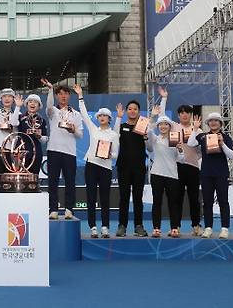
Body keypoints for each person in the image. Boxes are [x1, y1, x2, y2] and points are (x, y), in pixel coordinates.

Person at [74, 84, 119, 238]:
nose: (101, 118)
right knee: (91, 198)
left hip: (106, 168)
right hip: (91, 166)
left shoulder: (114, 135)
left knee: (105, 199)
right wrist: (80, 96)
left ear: (109, 119)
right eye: (100, 116)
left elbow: (115, 154)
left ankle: (105, 227)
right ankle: (93, 227)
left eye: (104, 116)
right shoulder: (93, 129)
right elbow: (84, 114)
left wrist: (108, 156)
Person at [158, 88, 203, 236]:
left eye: (187, 112)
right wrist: (164, 98)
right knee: (176, 198)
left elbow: (202, 150)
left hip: (192, 167)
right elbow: (162, 115)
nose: (184, 115)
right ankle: (175, 226)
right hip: (176, 166)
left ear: (191, 115)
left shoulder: (198, 129)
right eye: (182, 113)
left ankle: (196, 225)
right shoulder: (174, 127)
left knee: (194, 198)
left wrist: (197, 158)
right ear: (178, 115)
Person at [41, 78, 84, 220]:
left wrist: (73, 130)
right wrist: (50, 90)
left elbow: (80, 135)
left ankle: (69, 209)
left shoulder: (76, 114)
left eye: (66, 93)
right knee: (52, 181)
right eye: (60, 94)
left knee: (70, 182)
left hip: (69, 152)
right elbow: (48, 106)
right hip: (53, 150)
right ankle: (53, 209)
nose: (63, 96)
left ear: (69, 96)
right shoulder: (53, 111)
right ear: (57, 96)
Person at [188, 113, 233, 239]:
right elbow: (191, 143)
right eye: (210, 121)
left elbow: (232, 156)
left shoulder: (226, 137)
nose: (213, 123)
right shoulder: (203, 136)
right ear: (208, 123)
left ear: (220, 123)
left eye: (216, 121)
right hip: (206, 173)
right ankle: (208, 228)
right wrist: (195, 129)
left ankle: (224, 229)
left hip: (221, 173)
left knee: (223, 201)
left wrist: (222, 143)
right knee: (207, 202)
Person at [146, 107, 183, 238]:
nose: (163, 126)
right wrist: (153, 116)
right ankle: (156, 228)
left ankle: (174, 228)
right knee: (157, 202)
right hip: (156, 174)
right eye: (160, 124)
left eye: (165, 124)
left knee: (173, 203)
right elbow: (148, 130)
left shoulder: (175, 139)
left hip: (172, 175)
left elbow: (182, 160)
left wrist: (180, 149)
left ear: (169, 126)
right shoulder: (155, 139)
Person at [114, 100, 149, 237]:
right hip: (123, 167)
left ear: (139, 112)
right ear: (126, 111)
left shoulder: (143, 127)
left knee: (138, 198)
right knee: (123, 197)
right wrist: (118, 116)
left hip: (139, 167)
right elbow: (114, 135)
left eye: (135, 109)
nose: (132, 111)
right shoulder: (121, 126)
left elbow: (150, 147)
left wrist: (146, 136)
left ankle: (138, 226)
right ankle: (122, 225)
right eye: (130, 109)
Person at [17, 94, 48, 175]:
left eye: (35, 102)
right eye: (30, 102)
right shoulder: (20, 118)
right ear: (26, 105)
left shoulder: (42, 120)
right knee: (22, 178)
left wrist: (39, 136)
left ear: (39, 106)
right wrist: (17, 107)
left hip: (36, 153)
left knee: (34, 178)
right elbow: (13, 124)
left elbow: (44, 140)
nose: (32, 104)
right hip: (22, 153)